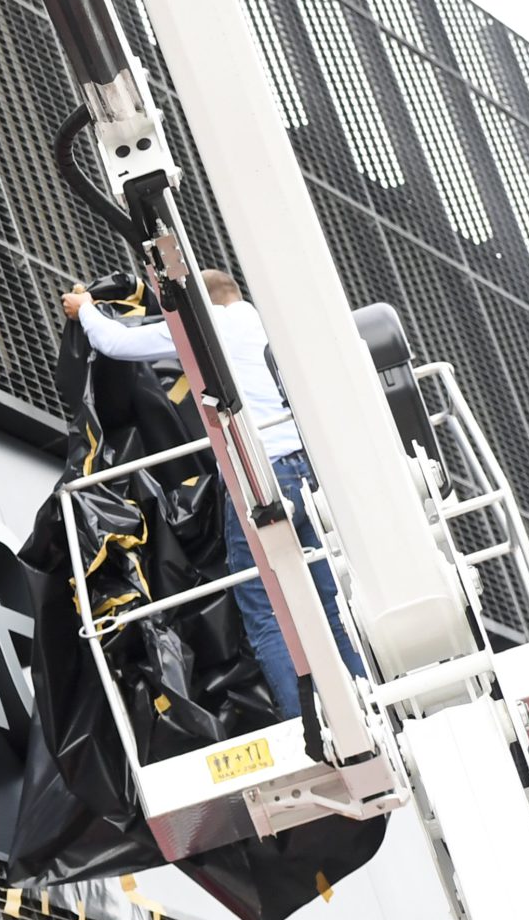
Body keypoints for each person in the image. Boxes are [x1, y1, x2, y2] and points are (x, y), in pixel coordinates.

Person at [60, 268, 365, 722]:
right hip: (306, 474)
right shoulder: (267, 326)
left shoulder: (210, 325)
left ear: (201, 302)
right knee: (329, 606)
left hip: (259, 477)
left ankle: (306, 724)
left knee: (264, 611)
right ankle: (365, 700)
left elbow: (117, 344)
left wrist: (85, 309)